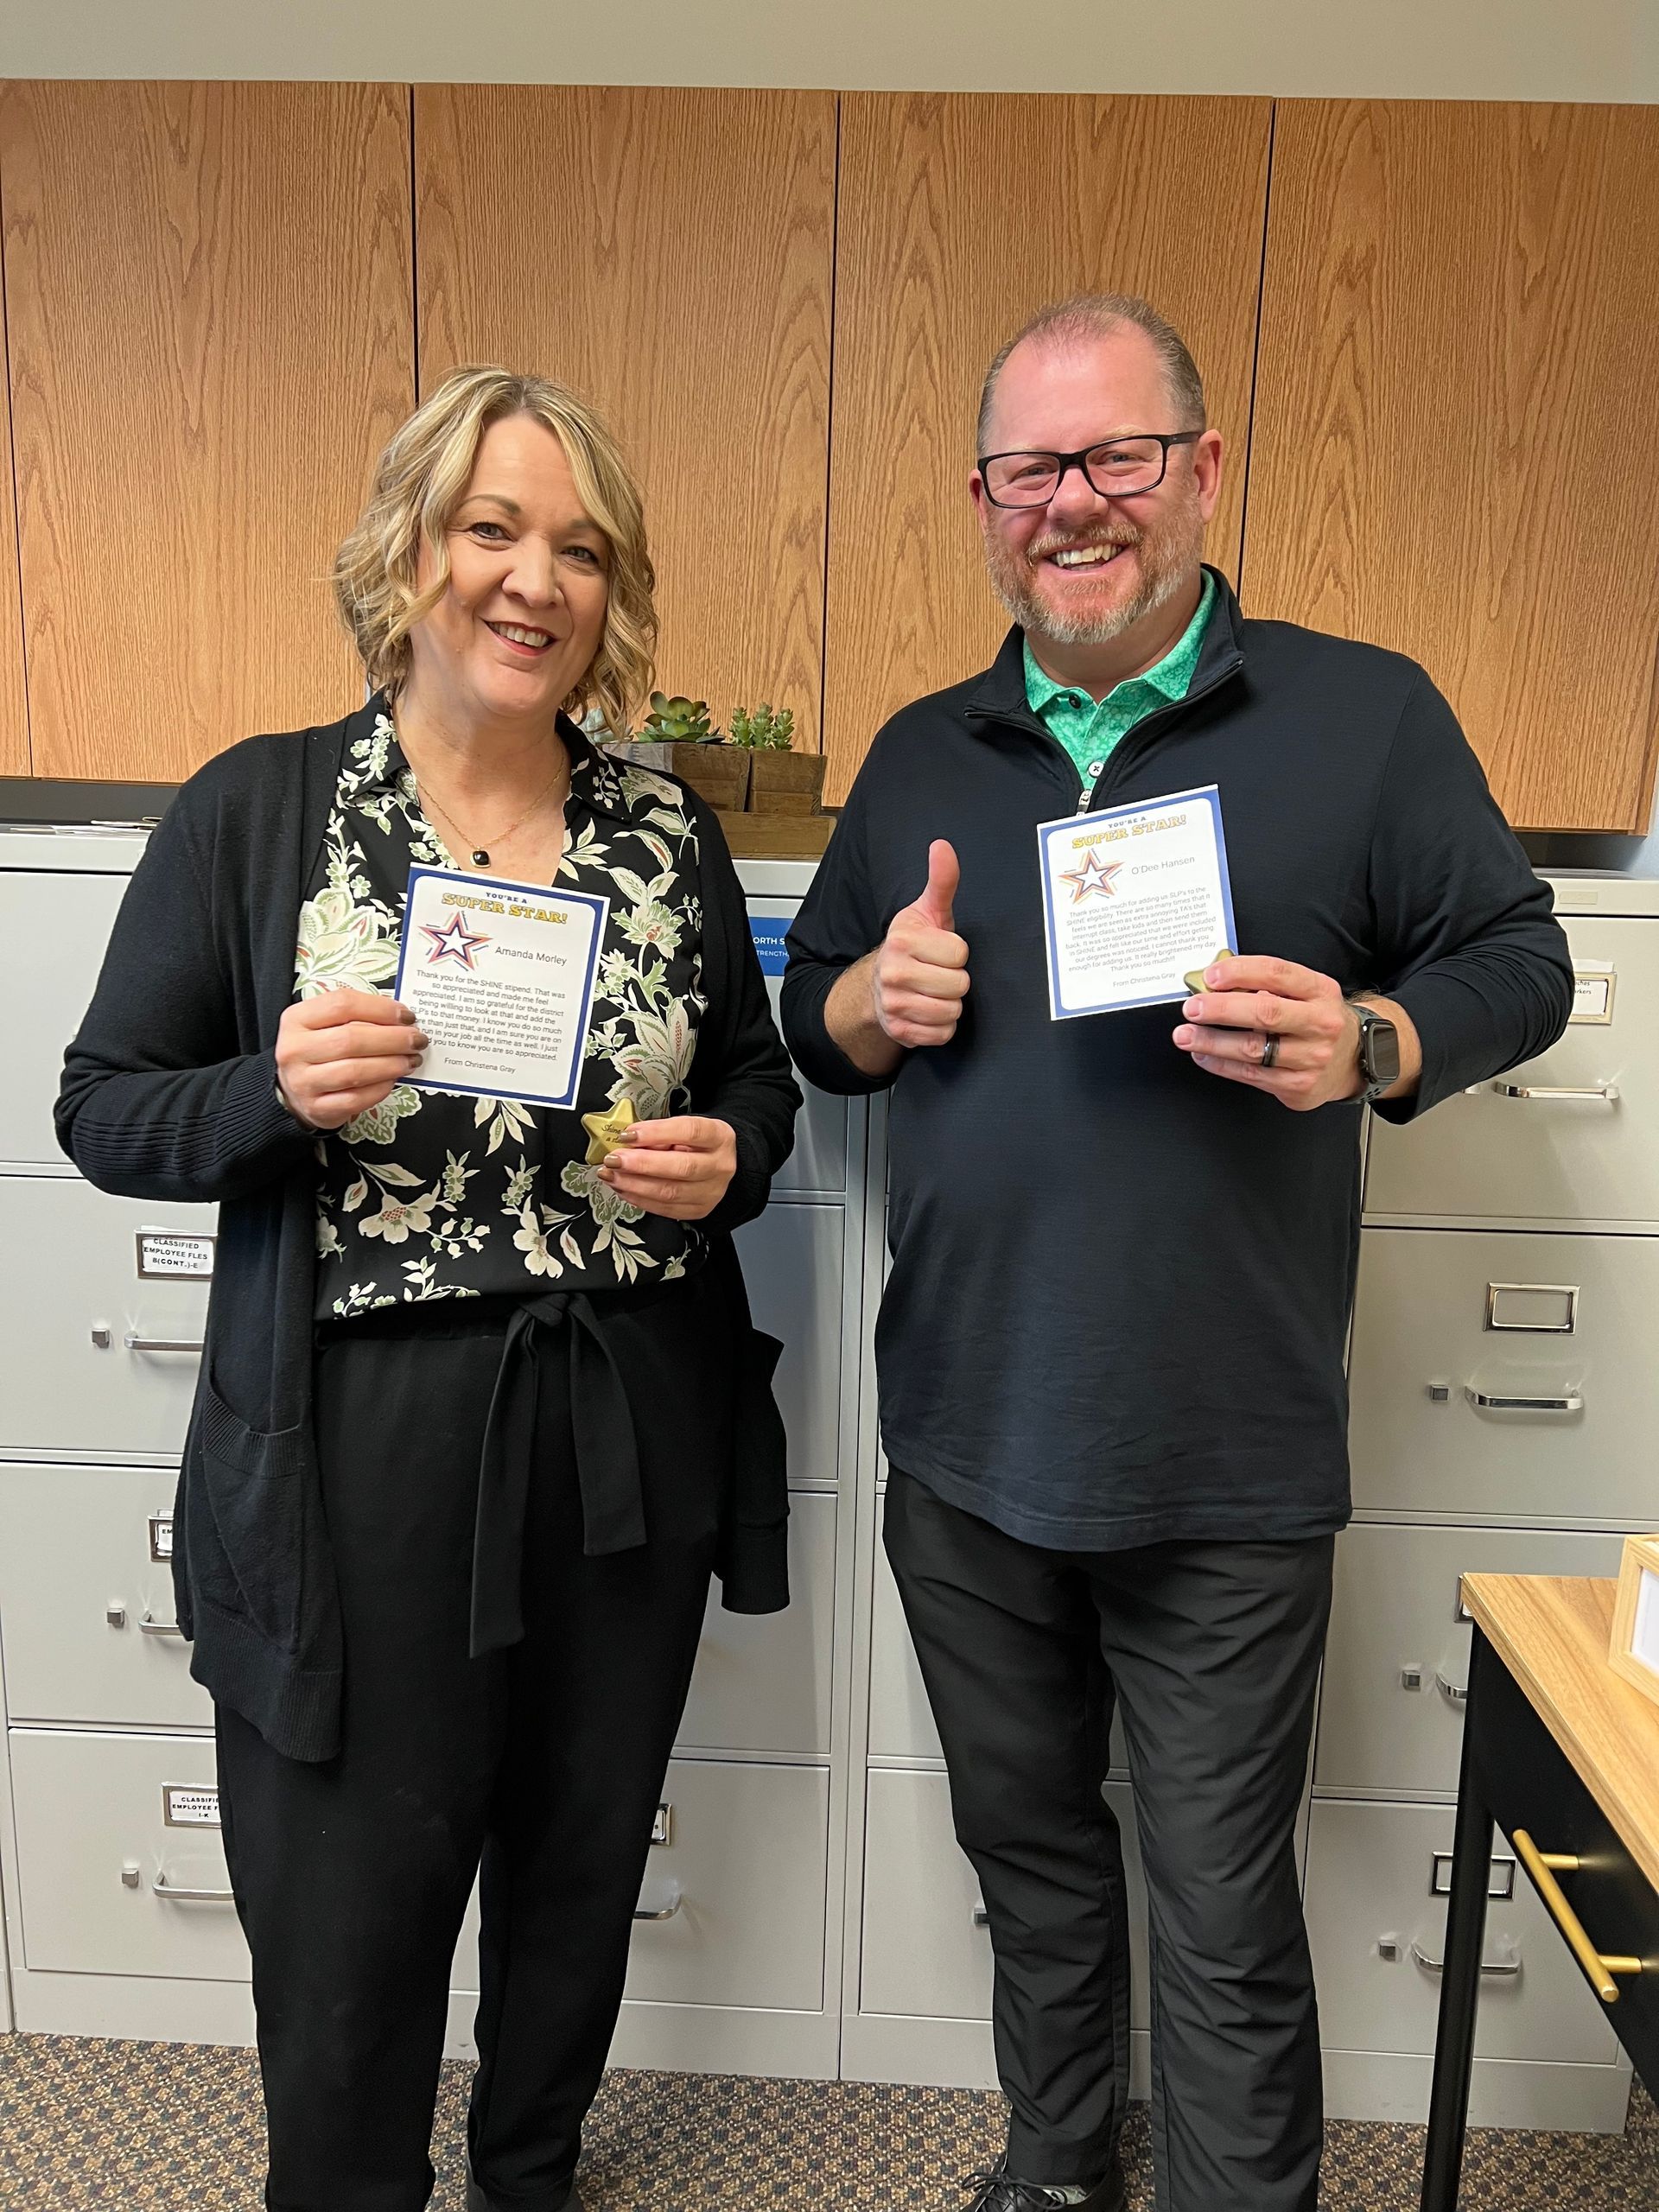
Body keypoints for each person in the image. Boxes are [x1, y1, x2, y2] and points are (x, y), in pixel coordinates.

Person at [782, 294, 1573, 2212]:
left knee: (1218, 1910)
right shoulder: (920, 751)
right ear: (984, 501)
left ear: (1202, 471)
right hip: (965, 1438)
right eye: (1030, 469)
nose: (1074, 503)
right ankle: (1058, 2164)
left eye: (1116, 456)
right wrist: (872, 1005)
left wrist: (1375, 1039)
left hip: (1225, 1452)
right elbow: (808, 1010)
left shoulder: (1362, 714)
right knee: (1033, 1859)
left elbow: (1521, 961)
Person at [58, 365, 800, 2212]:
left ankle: (528, 2170)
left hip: (624, 1415)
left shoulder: (661, 826)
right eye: (493, 528)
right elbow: (104, 1106)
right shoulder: (265, 810)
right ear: (409, 546)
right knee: (351, 1898)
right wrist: (268, 1093)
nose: (531, 580)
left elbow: (756, 1080)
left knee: (573, 1858)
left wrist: (731, 1155)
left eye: (576, 546)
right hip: (359, 1446)